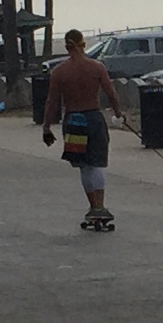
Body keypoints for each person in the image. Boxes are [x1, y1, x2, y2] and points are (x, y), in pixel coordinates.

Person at [39, 29, 125, 232]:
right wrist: (118, 113)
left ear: (68, 47)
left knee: (84, 166)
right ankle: (100, 207)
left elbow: (52, 101)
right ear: (83, 44)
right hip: (93, 118)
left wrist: (46, 126)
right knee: (97, 164)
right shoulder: (96, 67)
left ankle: (93, 206)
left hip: (73, 121)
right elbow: (111, 94)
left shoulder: (59, 71)